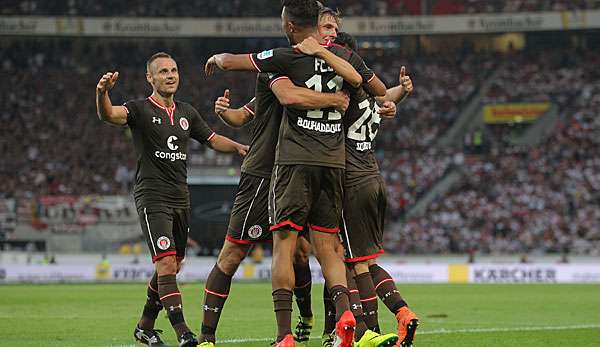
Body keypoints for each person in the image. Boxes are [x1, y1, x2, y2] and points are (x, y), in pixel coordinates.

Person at [204, 0, 386, 345]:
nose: (331, 32)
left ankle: (287, 333)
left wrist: (217, 60)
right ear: (315, 27)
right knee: (325, 249)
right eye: (327, 27)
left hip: (292, 164)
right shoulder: (335, 61)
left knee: (288, 248)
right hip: (322, 164)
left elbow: (278, 89)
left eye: (334, 28)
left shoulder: (284, 58)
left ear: (289, 25)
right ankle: (343, 322)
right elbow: (253, 111)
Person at [96, 52, 248, 347]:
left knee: (173, 265)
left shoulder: (186, 112)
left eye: (174, 70)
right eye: (163, 71)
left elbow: (212, 139)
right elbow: (108, 115)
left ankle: (145, 327)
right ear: (149, 78)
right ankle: (184, 334)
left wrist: (240, 147)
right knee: (166, 265)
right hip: (152, 196)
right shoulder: (138, 109)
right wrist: (102, 93)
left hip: (181, 196)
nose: (170, 75)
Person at [198, 75, 349, 346]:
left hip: (301, 173)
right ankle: (206, 337)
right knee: (232, 254)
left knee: (306, 252)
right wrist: (224, 113)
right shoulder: (277, 76)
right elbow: (241, 116)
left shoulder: (326, 79)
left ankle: (310, 320)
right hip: (262, 174)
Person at [334, 32, 419, 347]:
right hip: (374, 177)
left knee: (354, 263)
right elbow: (388, 98)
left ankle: (370, 330)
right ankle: (403, 312)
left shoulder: (344, 92)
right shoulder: (371, 94)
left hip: (352, 182)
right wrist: (404, 93)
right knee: (366, 260)